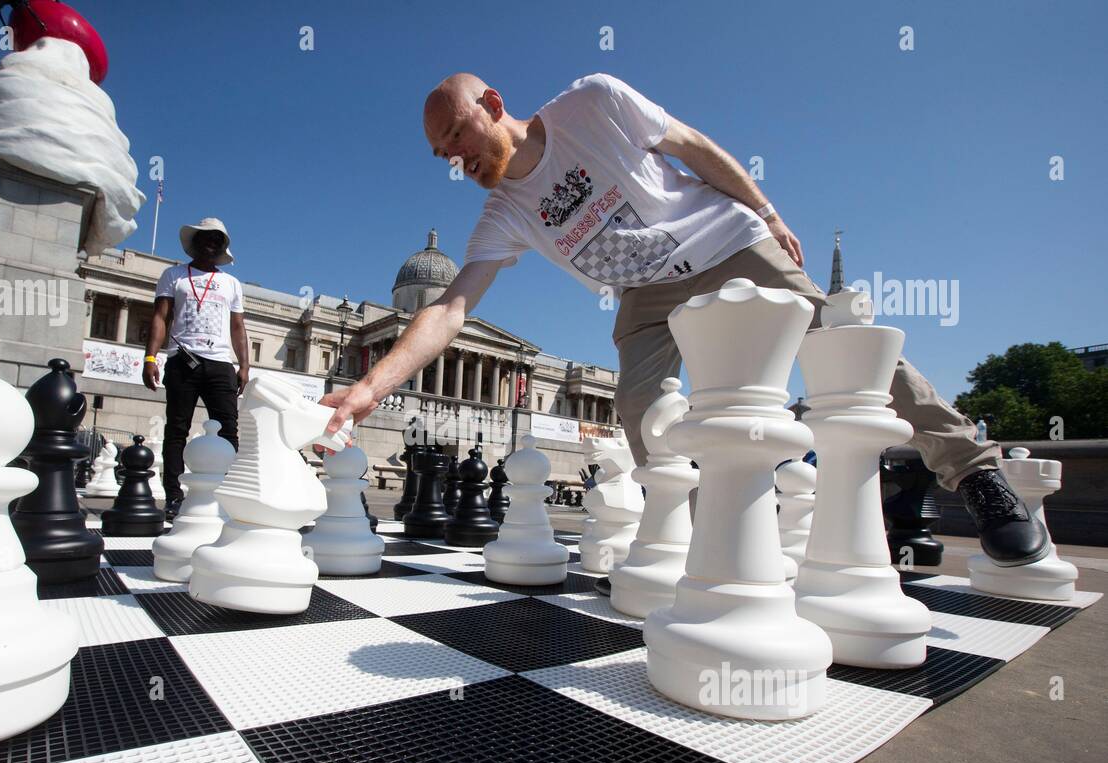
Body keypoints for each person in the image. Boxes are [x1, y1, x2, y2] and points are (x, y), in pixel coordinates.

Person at [321, 72, 1048, 567]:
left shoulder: (592, 102)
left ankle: (976, 473)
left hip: (723, 240)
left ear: (492, 102)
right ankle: (722, 537)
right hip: (647, 296)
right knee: (641, 415)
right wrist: (367, 391)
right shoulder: (503, 213)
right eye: (441, 151)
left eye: (456, 132)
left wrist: (765, 211)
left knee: (845, 348)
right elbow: (449, 309)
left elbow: (692, 148)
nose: (453, 154)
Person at [144, 217, 248, 519]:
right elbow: (160, 317)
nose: (211, 243)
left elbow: (238, 327)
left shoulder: (231, 283)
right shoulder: (173, 275)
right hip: (182, 359)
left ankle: (228, 494)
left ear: (222, 247)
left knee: (229, 430)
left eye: (218, 239)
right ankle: (174, 496)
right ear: (195, 243)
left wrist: (244, 365)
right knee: (177, 428)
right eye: (206, 238)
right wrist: (151, 357)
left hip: (219, 363)